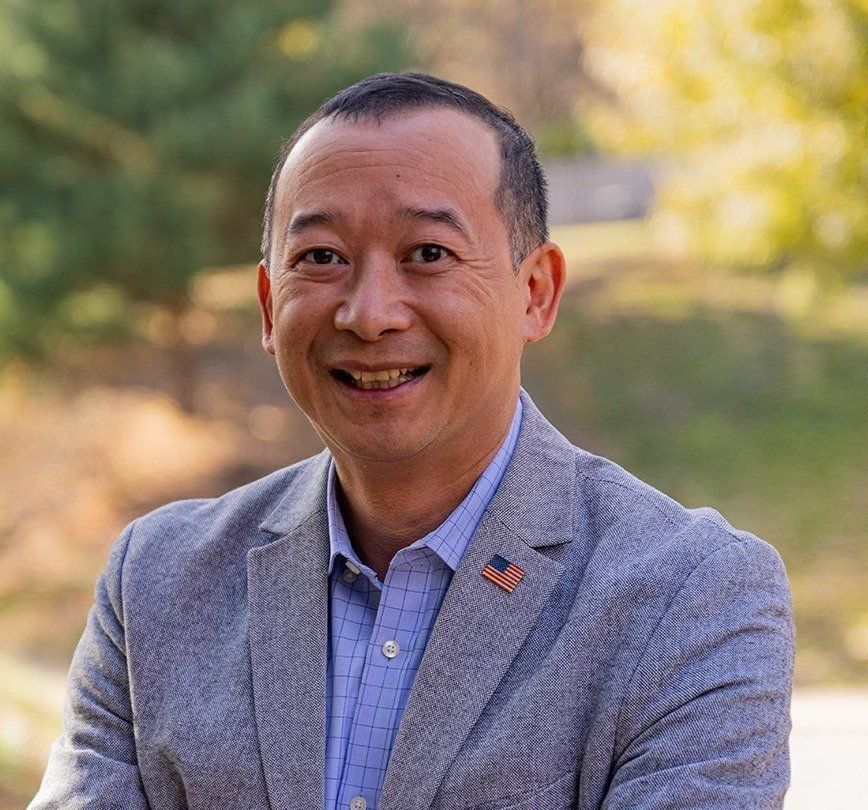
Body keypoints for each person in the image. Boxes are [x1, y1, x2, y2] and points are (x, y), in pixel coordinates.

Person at [30, 73, 795, 810]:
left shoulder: (692, 598)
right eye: (321, 258)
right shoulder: (158, 585)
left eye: (428, 254)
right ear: (269, 306)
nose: (369, 314)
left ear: (536, 293)